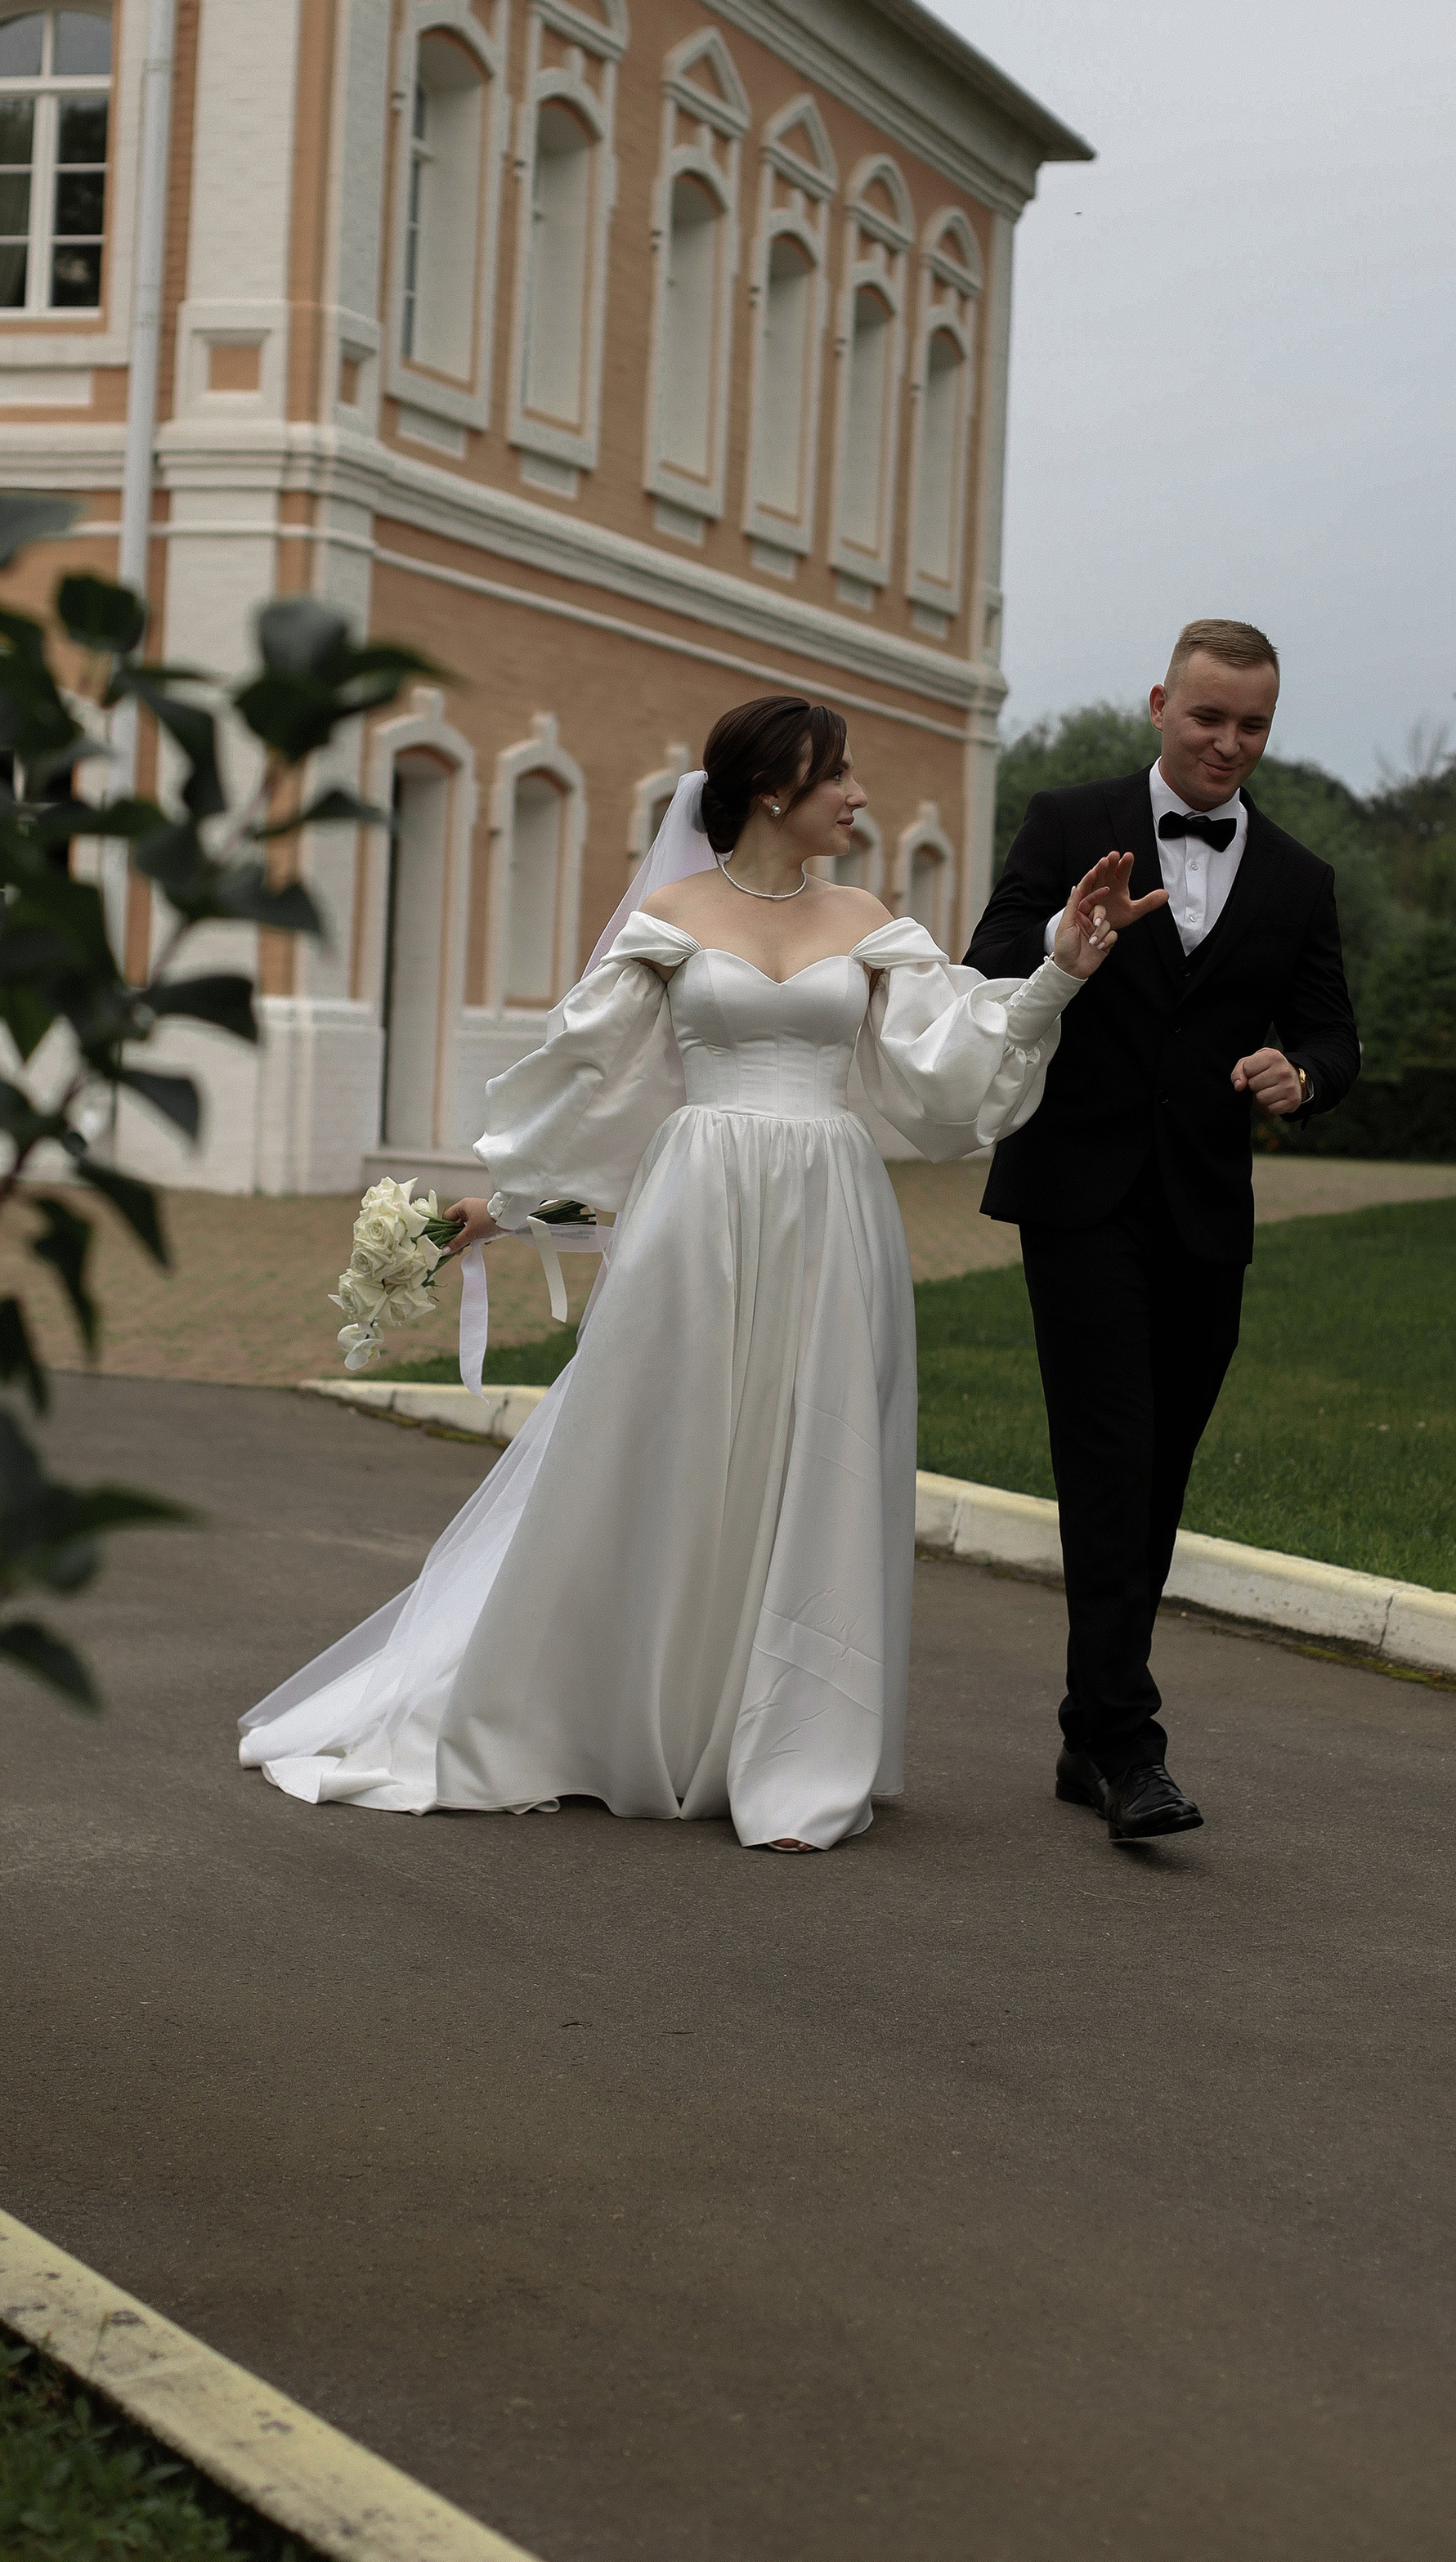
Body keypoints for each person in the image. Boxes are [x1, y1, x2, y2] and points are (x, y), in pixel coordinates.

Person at [239, 693, 1137, 1853]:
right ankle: (627, 1716)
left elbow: (950, 1072)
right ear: (771, 790)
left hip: (831, 1216)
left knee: (815, 1460)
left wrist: (1060, 969)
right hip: (693, 1215)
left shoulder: (867, 921)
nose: (857, 795)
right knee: (668, 1454)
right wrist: (499, 1209)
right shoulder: (668, 921)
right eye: (836, 775)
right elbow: (592, 1098)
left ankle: (793, 1753)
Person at [965, 619, 1360, 1847]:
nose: (1229, 744)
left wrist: (1305, 1074)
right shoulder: (1066, 821)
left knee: (1157, 1478)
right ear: (1158, 704)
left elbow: (1333, 1034)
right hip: (1078, 1197)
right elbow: (986, 967)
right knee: (1110, 1460)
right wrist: (1066, 942)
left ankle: (1088, 1733)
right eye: (1208, 718)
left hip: (1203, 1212)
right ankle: (1132, 1748)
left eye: (1253, 725)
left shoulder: (1298, 877)